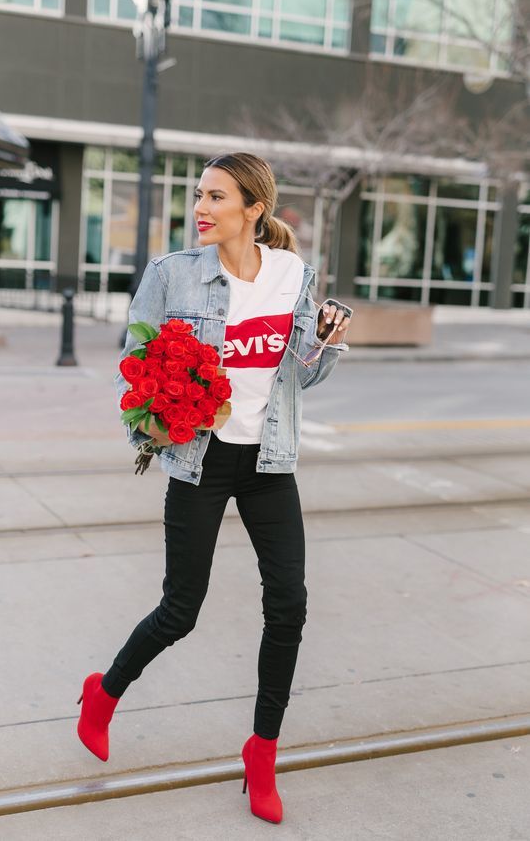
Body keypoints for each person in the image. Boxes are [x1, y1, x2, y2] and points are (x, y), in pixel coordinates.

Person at [76, 152, 351, 825]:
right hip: (200, 461)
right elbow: (133, 367)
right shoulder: (171, 275)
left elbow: (298, 377)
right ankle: (104, 693)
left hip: (268, 462)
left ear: (253, 209)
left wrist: (323, 341)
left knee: (289, 605)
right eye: (198, 195)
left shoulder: (291, 275)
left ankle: (261, 752)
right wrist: (157, 418)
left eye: (215, 196)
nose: (199, 207)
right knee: (181, 609)